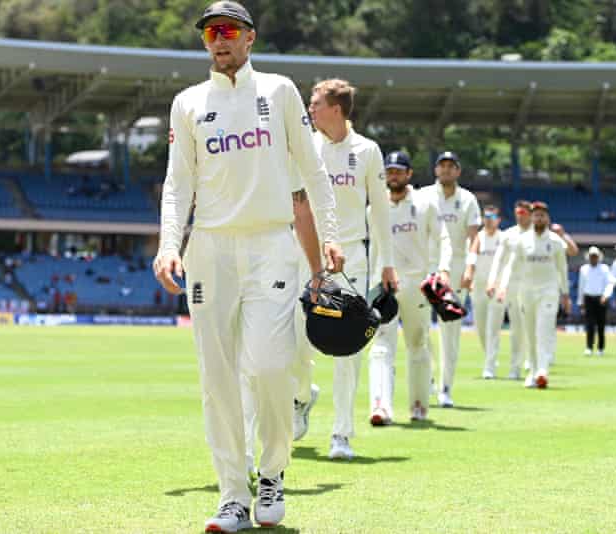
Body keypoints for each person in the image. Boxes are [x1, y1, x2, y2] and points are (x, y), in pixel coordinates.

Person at [153, 2, 343, 531]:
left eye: (228, 31)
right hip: (210, 251)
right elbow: (178, 183)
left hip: (270, 245)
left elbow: (312, 168)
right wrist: (170, 244)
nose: (219, 40)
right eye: (211, 32)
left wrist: (330, 237)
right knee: (217, 380)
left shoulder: (279, 92)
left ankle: (273, 473)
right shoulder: (188, 102)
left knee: (268, 367)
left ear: (249, 38)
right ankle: (233, 494)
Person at [291, 78, 396, 460]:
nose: (310, 109)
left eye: (315, 103)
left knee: (347, 349)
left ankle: (342, 435)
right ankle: (301, 397)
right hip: (305, 254)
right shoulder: (305, 146)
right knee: (295, 340)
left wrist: (387, 263)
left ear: (336, 109)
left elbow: (380, 211)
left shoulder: (367, 151)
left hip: (352, 258)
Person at [367, 151, 445, 424]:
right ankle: (380, 406)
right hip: (385, 285)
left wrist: (441, 271)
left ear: (409, 174)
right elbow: (373, 251)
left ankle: (419, 406)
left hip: (416, 284)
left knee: (417, 344)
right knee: (380, 346)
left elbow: (442, 238)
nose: (394, 175)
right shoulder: (374, 207)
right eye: (389, 171)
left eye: (399, 171)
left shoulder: (426, 203)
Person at [424, 151, 480, 407]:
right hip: (426, 266)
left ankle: (445, 387)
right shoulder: (423, 196)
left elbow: (474, 237)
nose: (446, 170)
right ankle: (427, 379)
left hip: (456, 269)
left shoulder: (467, 199)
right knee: (420, 328)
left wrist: (470, 267)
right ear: (436, 170)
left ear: (458, 171)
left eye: (451, 166)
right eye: (442, 166)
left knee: (451, 332)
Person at [496, 201, 571, 389]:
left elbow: (562, 269)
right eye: (535, 215)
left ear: (548, 218)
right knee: (530, 333)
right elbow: (512, 266)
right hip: (526, 291)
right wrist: (503, 287)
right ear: (531, 218)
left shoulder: (555, 242)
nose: (539, 218)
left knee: (544, 330)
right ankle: (533, 370)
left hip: (549, 291)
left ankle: (542, 371)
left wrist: (566, 294)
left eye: (542, 215)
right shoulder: (522, 241)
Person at [485, 200, 532, 380]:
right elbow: (498, 260)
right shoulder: (508, 234)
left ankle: (515, 368)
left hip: (523, 286)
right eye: (518, 213)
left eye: (524, 213)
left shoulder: (534, 236)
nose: (520, 216)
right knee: (493, 328)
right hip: (502, 285)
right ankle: (489, 367)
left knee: (518, 330)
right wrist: (491, 282)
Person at [467, 205, 506, 379]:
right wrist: (469, 278)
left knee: (493, 327)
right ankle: (489, 356)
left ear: (499, 220)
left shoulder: (504, 238)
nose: (489, 220)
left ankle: (490, 365)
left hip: (497, 287)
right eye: (486, 217)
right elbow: (471, 258)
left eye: (492, 217)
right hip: (479, 286)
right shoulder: (478, 238)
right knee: (481, 327)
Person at [577, 246, 616, 357]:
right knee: (589, 325)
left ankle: (600, 348)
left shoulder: (604, 268)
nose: (593, 258)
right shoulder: (584, 269)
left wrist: (606, 295)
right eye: (591, 256)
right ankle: (589, 347)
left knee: (601, 325)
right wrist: (581, 302)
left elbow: (610, 283)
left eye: (595, 256)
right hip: (588, 298)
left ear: (598, 257)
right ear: (588, 257)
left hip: (601, 299)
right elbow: (581, 286)